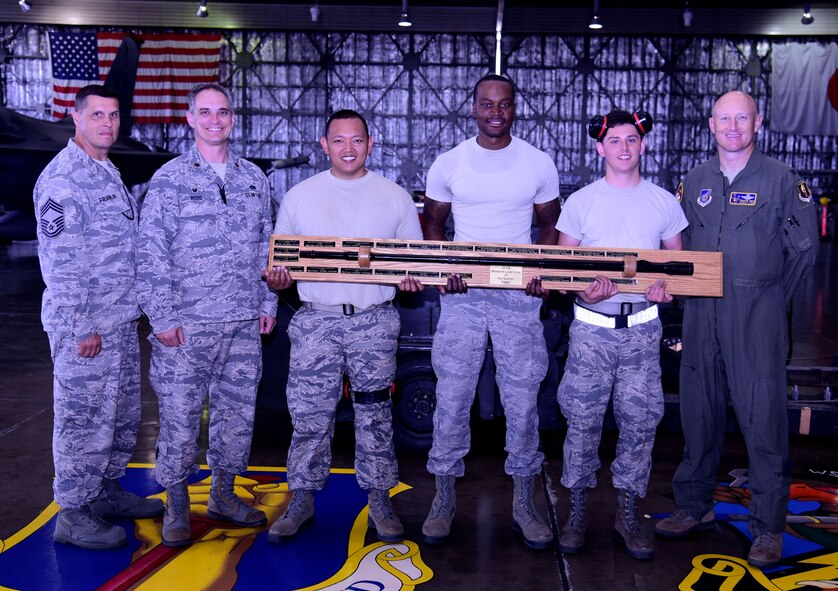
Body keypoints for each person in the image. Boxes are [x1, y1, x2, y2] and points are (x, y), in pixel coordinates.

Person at [655, 90, 819, 568]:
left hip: (756, 317)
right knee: (698, 413)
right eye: (724, 118)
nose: (732, 127)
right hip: (701, 315)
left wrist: (767, 298)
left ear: (758, 123)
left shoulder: (782, 179)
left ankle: (767, 527)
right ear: (711, 124)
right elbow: (678, 245)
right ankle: (694, 505)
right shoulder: (695, 179)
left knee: (763, 421)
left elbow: (804, 250)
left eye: (741, 118)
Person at [263, 109, 424, 544]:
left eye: (357, 140)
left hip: (374, 322)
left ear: (370, 144)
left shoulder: (395, 197)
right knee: (310, 416)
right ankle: (301, 499)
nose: (348, 148)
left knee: (375, 414)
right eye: (339, 140)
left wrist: (410, 280)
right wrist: (279, 277)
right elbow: (282, 263)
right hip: (316, 322)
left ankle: (379, 500)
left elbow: (413, 265)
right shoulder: (300, 196)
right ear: (324, 144)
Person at [420, 73, 562, 549]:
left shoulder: (538, 163)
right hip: (461, 296)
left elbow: (549, 226)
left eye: (503, 104)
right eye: (486, 104)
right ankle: (443, 499)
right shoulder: (450, 162)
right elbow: (433, 223)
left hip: (516, 298)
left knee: (522, 403)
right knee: (452, 398)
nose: (495, 111)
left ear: (514, 108)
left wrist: (538, 271)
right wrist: (444, 271)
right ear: (474, 108)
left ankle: (524, 504)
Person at [136, 83, 278, 547]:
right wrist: (161, 317)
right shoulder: (169, 179)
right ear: (190, 118)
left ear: (232, 118)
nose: (215, 120)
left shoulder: (253, 178)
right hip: (186, 324)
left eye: (223, 112)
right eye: (205, 112)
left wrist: (267, 303)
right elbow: (150, 252)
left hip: (241, 322)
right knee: (178, 417)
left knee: (236, 415)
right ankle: (177, 504)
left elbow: (267, 246)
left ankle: (223, 495)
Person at [33, 84, 164, 550]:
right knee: (82, 418)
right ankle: (73, 511)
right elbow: (61, 261)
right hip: (86, 327)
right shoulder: (63, 179)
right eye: (98, 116)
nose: (107, 124)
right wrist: (82, 325)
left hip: (120, 322)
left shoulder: (107, 171)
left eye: (113, 116)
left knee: (121, 416)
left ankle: (104, 491)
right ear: (77, 117)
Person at [554, 109, 688, 560]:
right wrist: (583, 290)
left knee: (639, 423)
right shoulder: (580, 202)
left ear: (643, 145)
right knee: (583, 423)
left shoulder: (665, 202)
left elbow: (680, 267)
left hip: (642, 333)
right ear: (600, 148)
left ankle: (627, 514)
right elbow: (559, 270)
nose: (624, 147)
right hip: (591, 332)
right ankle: (576, 512)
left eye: (632, 139)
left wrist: (664, 289)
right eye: (615, 141)